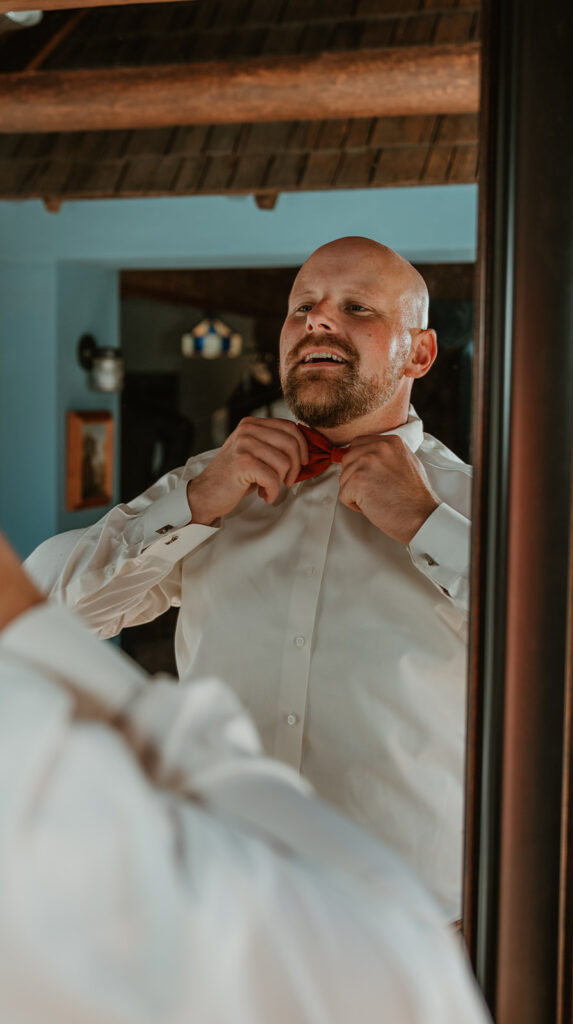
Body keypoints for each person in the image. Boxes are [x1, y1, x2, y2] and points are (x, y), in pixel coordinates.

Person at [26, 236, 472, 918]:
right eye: (303, 307)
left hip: (405, 917)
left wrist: (425, 523)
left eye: (356, 306)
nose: (319, 321)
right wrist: (196, 500)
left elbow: (570, 662)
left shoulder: (483, 507)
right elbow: (52, 615)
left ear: (419, 352)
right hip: (219, 903)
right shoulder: (213, 480)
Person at [0, 530, 489, 1024]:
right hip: (200, 923)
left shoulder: (482, 501)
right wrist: (187, 505)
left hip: (429, 926)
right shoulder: (215, 492)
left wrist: (430, 526)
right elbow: (47, 599)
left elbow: (561, 648)